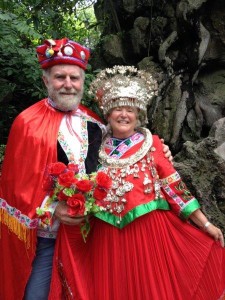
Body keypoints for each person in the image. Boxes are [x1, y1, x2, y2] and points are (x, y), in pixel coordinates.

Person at [0, 40, 171, 300]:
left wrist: (158, 151)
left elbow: (120, 153)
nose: (68, 84)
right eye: (60, 77)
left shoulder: (94, 122)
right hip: (46, 238)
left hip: (93, 234)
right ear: (46, 81)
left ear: (82, 81)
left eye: (74, 78)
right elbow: (13, 188)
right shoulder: (27, 123)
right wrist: (53, 208)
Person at [48, 65, 225, 300]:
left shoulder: (151, 144)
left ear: (138, 114)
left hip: (149, 237)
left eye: (130, 110)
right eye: (117, 109)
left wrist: (205, 225)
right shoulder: (94, 147)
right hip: (106, 238)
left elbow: (175, 189)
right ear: (108, 114)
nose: (124, 115)